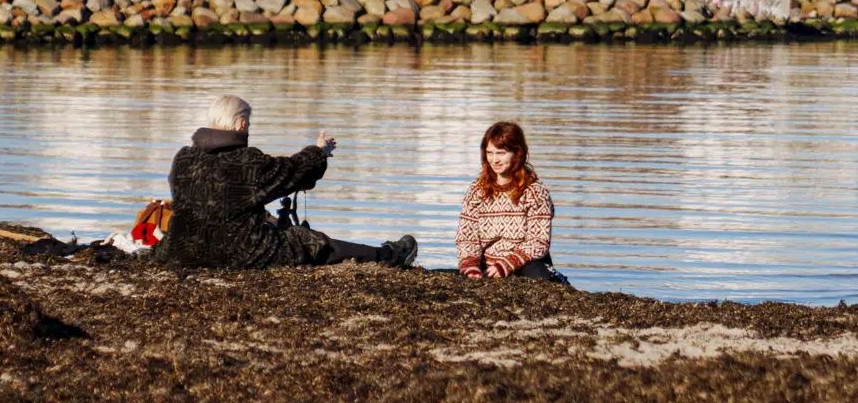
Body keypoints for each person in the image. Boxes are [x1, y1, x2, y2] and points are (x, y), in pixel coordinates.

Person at [164, 94, 417, 269]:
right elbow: (294, 171)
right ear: (242, 124)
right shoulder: (247, 162)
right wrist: (319, 152)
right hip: (238, 252)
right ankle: (388, 255)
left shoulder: (182, 158)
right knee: (310, 241)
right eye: (248, 124)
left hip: (182, 250)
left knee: (265, 220)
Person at [455, 121, 562, 281]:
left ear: (517, 153)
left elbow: (539, 241)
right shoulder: (477, 190)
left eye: (501, 153)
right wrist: (471, 265)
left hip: (526, 265)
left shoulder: (535, 191)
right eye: (490, 153)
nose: (494, 160)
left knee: (539, 276)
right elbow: (466, 237)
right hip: (488, 266)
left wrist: (507, 264)